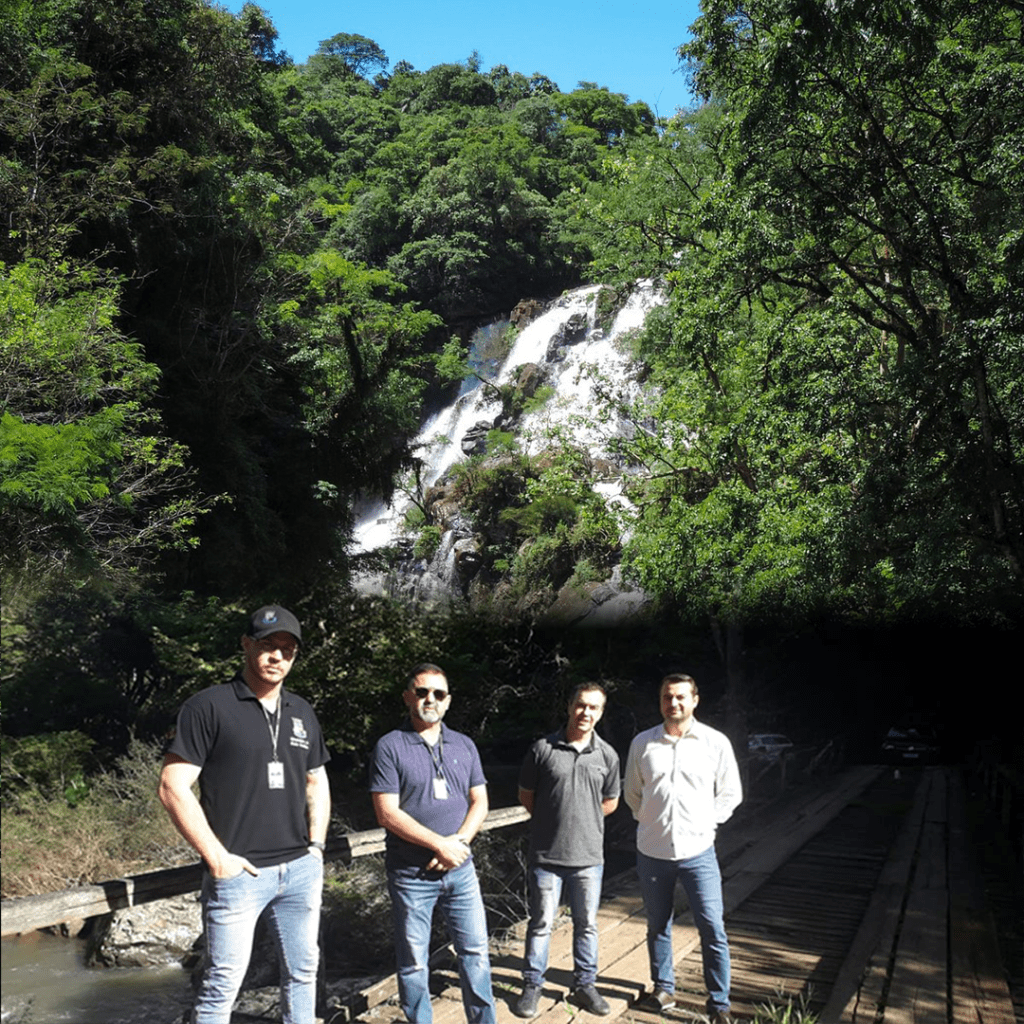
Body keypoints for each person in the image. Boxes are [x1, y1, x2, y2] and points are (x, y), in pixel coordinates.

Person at [158, 605, 330, 1024]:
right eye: (269, 646)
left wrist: (317, 847)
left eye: (287, 650)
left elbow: (317, 782)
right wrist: (217, 859)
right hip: (240, 876)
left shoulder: (301, 711)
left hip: (299, 869)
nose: (278, 657)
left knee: (304, 972)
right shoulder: (208, 707)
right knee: (223, 985)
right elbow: (172, 786)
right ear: (247, 645)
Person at [370, 664, 496, 1024]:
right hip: (411, 873)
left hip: (461, 869)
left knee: (475, 952)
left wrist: (457, 845)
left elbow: (480, 802)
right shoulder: (389, 746)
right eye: (422, 692)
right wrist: (440, 845)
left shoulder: (464, 744)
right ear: (408, 696)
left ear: (448, 701)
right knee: (413, 961)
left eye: (438, 694)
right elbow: (387, 814)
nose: (430, 699)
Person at [623, 673, 742, 1024]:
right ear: (660, 701)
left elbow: (731, 792)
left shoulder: (714, 742)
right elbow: (632, 792)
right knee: (658, 924)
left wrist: (709, 823)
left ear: (694, 700)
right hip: (652, 851)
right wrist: (648, 818)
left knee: (712, 927)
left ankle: (718, 1003)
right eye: (666, 697)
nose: (672, 703)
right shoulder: (643, 743)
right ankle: (664, 988)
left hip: (698, 851)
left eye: (679, 697)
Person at [514, 683, 621, 1019]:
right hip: (546, 857)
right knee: (541, 923)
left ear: (601, 712)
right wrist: (554, 819)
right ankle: (533, 984)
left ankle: (585, 983)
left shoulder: (608, 755)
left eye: (593, 707)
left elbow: (610, 802)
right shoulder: (542, 749)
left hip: (589, 858)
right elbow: (526, 796)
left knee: (586, 924)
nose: (585, 713)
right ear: (569, 706)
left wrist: (582, 819)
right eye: (580, 705)